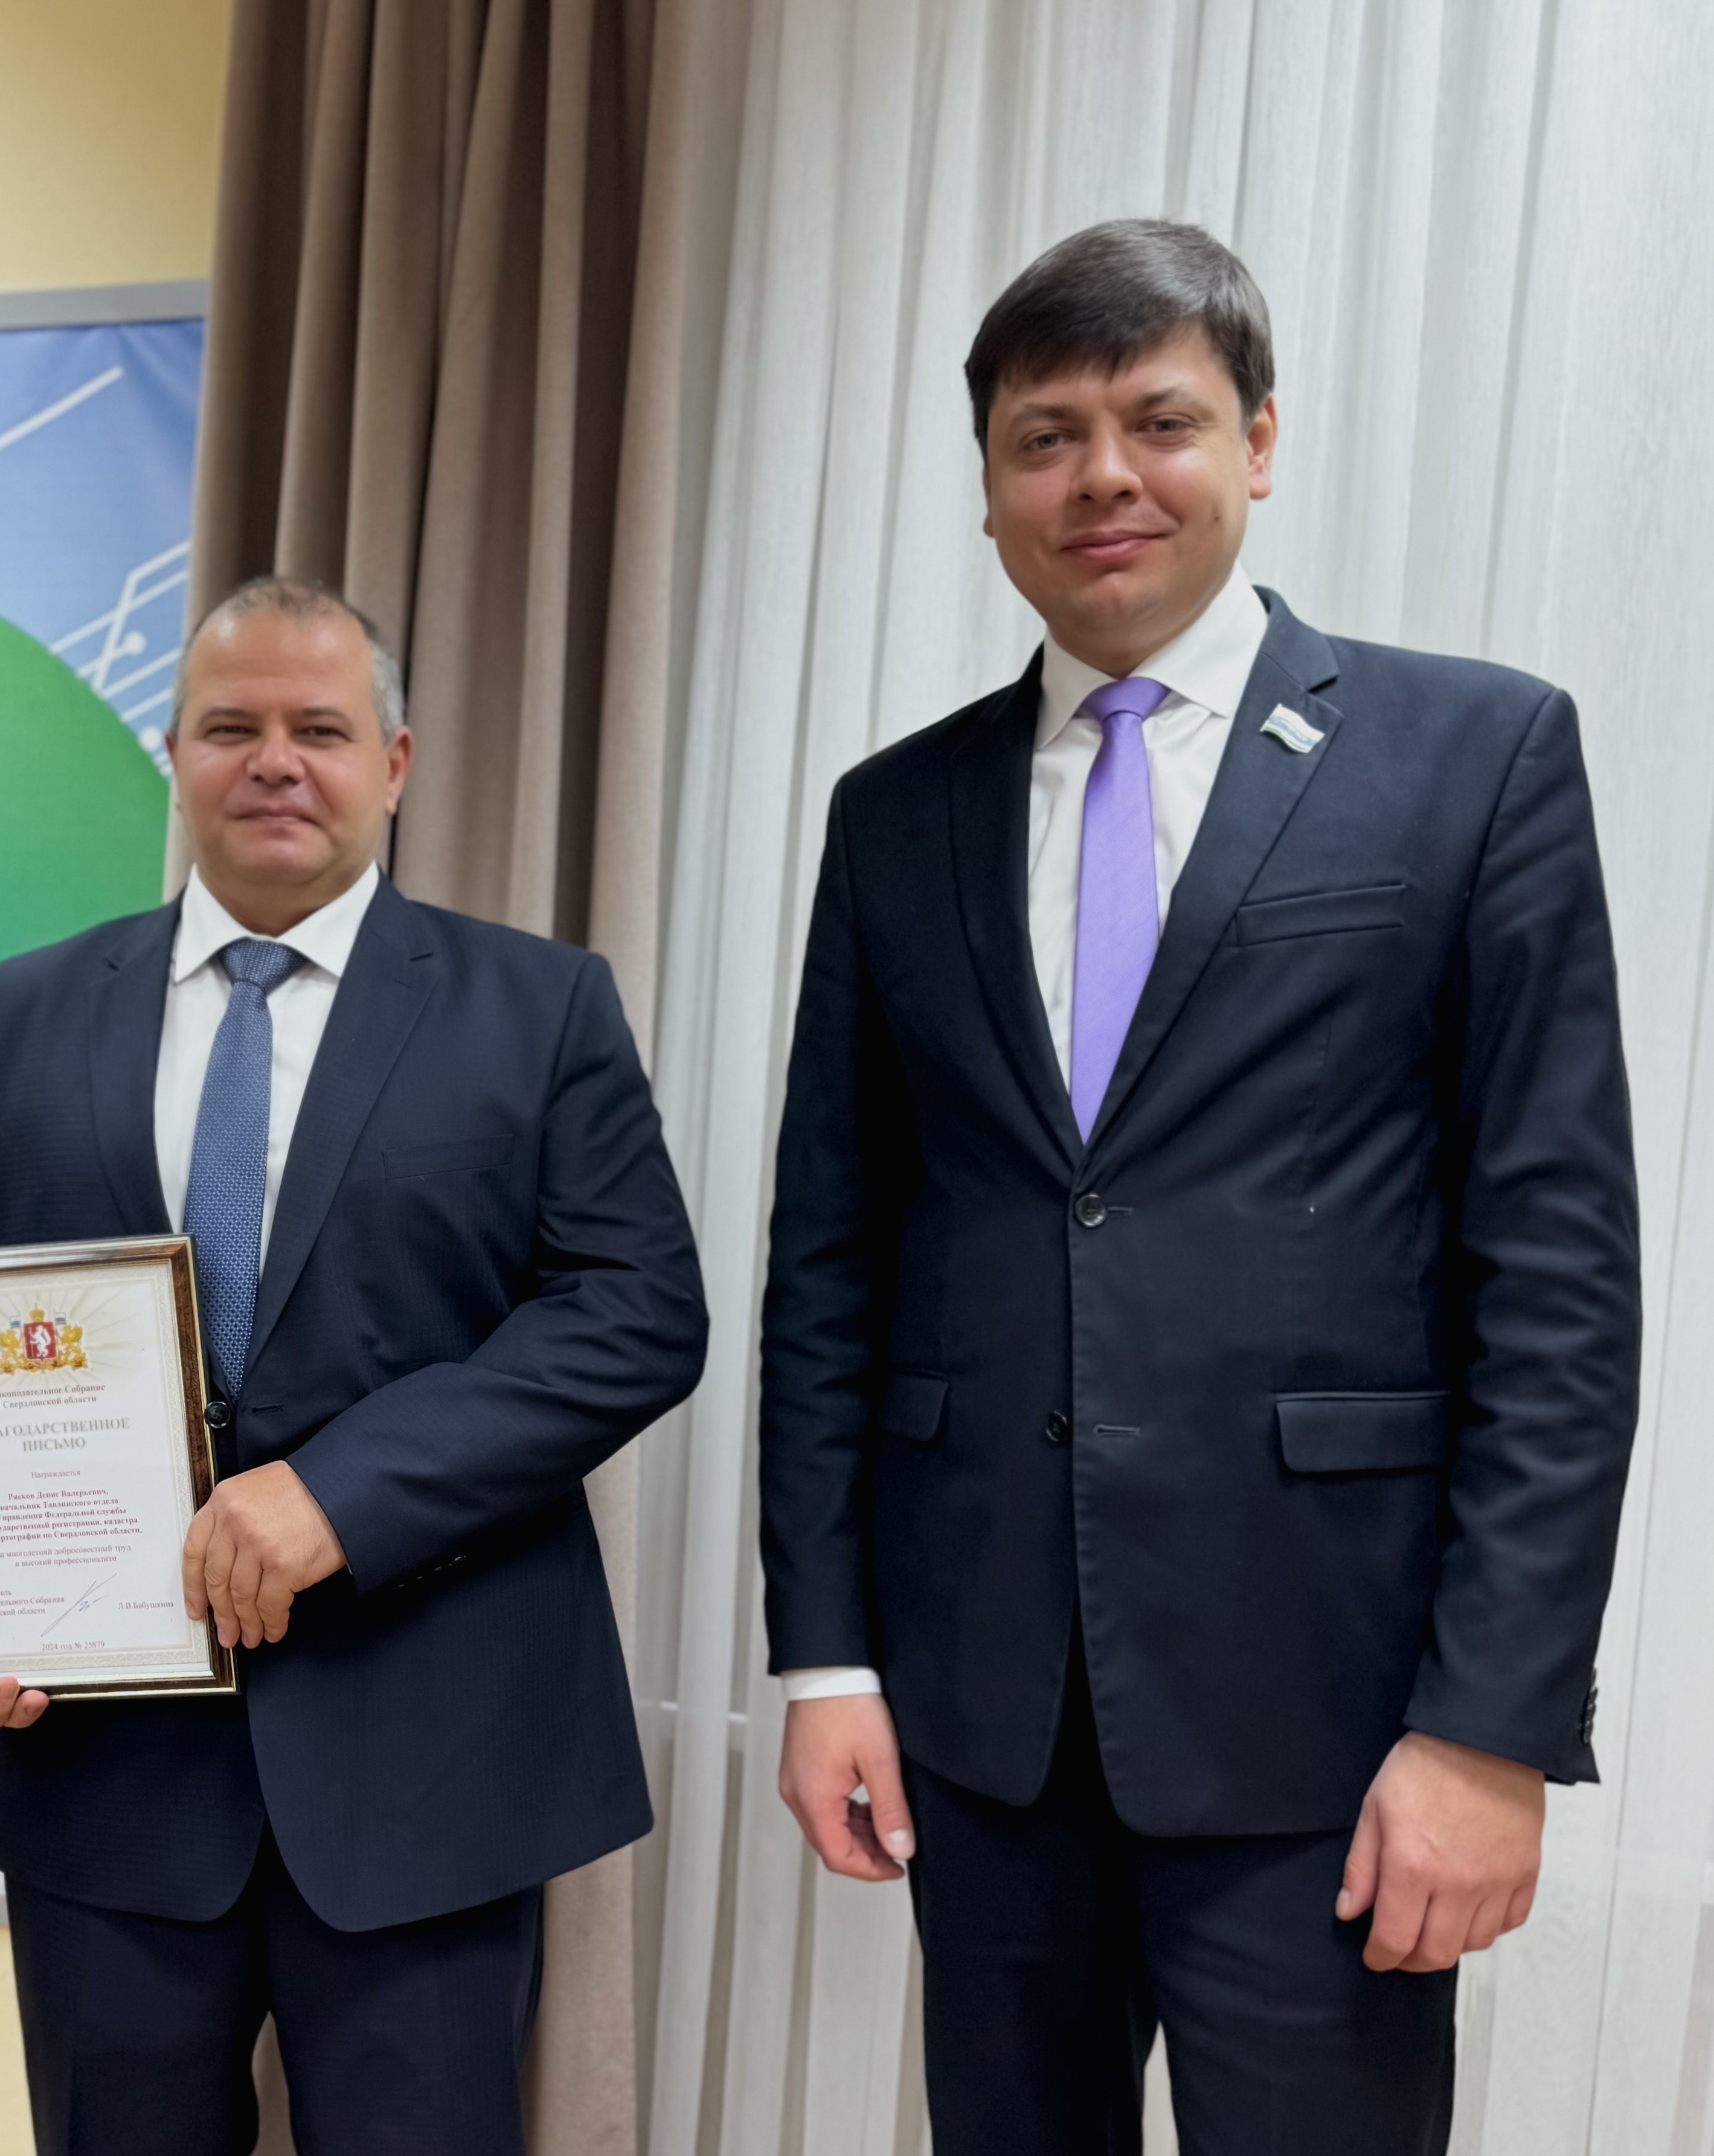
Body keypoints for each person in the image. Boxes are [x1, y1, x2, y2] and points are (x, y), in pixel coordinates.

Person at [757, 217, 1641, 2152]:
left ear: (1258, 439)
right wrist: (826, 1655)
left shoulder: (1473, 754)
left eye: (1156, 420)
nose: (1103, 476)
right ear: (989, 489)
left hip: (1332, 1722)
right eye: (1044, 436)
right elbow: (831, 1262)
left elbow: (1559, 1282)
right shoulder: (893, 814)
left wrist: (1489, 1723)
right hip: (984, 1720)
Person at [0, 578, 707, 2155]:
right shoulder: (28, 1006)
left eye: (319, 729)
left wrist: (342, 1494)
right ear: (176, 756)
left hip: (432, 1766)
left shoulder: (540, 1007)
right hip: (108, 1776)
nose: (274, 760)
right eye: (231, 727)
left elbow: (635, 1312)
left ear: (392, 763)